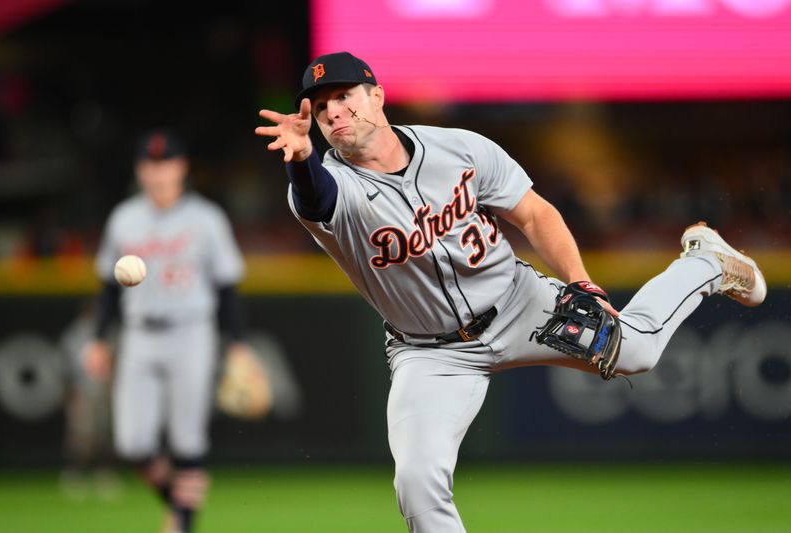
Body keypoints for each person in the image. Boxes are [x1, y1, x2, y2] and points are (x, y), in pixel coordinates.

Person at [254, 52, 767, 532]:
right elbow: (314, 198)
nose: (334, 112)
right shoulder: (332, 186)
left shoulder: (458, 148)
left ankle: (705, 262)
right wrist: (300, 160)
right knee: (416, 482)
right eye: (321, 109)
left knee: (639, 352)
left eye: (345, 96)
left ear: (378, 96)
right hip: (432, 354)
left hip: (522, 304)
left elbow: (534, 214)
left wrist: (579, 281)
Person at [84, 128, 249, 533]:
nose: (158, 173)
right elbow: (108, 287)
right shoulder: (124, 217)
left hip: (192, 331)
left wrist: (240, 344)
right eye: (150, 164)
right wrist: (98, 338)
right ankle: (180, 499)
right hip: (139, 333)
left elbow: (228, 286)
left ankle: (181, 525)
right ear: (141, 170)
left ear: (181, 167)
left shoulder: (207, 218)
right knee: (133, 443)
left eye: (166, 163)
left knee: (187, 438)